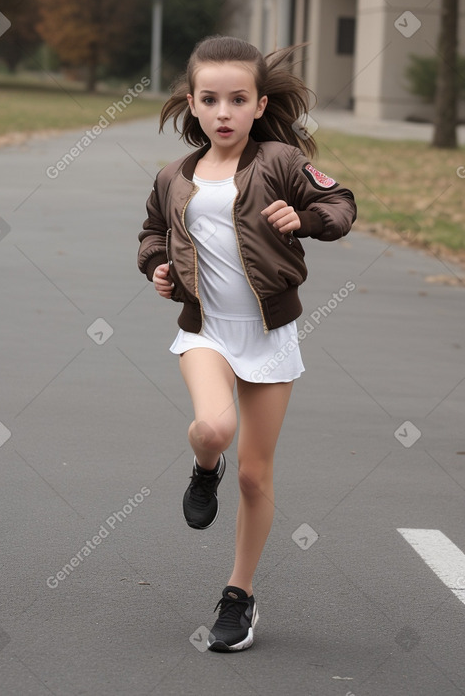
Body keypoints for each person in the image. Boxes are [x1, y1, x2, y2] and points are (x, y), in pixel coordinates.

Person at [138, 35, 356, 652]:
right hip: (205, 330)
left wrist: (305, 219)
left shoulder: (283, 162)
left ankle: (239, 594)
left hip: (269, 334)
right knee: (213, 428)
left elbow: (340, 203)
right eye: (211, 99)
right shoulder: (173, 177)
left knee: (257, 477)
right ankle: (204, 468)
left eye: (238, 99)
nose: (225, 111)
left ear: (260, 105)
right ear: (193, 104)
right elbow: (152, 234)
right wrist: (156, 266)